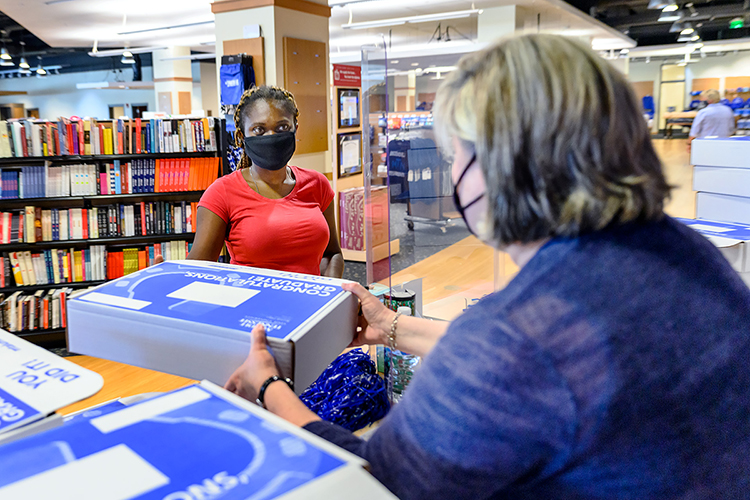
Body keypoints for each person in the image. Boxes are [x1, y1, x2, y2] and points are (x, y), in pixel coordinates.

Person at [224, 34, 750, 498]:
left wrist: (270, 387)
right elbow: (543, 368)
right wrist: (394, 329)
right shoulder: (684, 250)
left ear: (500, 164)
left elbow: (381, 480)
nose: (455, 179)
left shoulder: (519, 331)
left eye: (458, 159)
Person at [184, 85, 344, 277]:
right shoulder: (221, 193)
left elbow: (332, 253)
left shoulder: (318, 184)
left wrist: (330, 292)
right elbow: (196, 272)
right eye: (259, 129)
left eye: (282, 127)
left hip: (313, 304)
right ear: (241, 137)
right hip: (251, 305)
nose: (271, 137)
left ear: (295, 129)